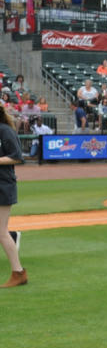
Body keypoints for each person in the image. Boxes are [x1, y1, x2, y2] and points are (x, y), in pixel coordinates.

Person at [0, 106, 26, 288]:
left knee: (1, 232)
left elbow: (17, 157)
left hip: (3, 184)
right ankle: (13, 236)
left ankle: (18, 272)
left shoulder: (5, 130)